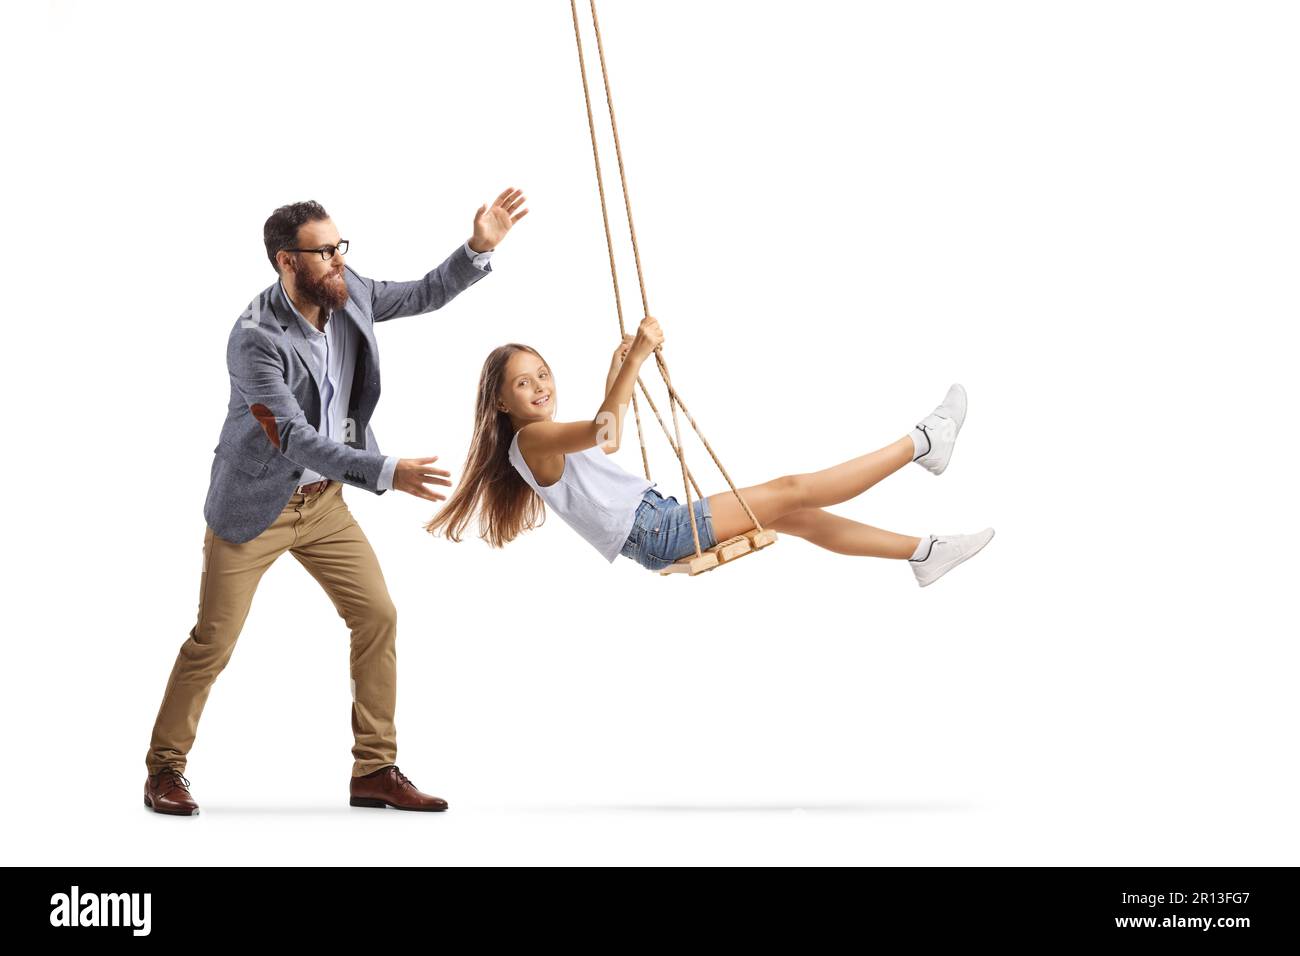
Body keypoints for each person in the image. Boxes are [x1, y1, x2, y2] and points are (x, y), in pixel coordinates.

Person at [143, 190, 528, 815]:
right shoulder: (254, 340)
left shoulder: (349, 293)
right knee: (213, 640)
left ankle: (374, 769)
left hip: (322, 506)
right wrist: (384, 471)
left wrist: (478, 247)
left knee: (377, 615)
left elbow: (426, 292)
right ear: (286, 262)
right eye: (323, 252)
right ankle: (164, 769)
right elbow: (294, 436)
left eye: (339, 246)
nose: (338, 260)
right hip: (254, 508)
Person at [424, 315, 994, 583]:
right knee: (791, 488)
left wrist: (619, 366)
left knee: (799, 515)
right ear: (500, 402)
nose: (540, 386)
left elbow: (605, 434)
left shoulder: (538, 441)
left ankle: (923, 554)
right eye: (523, 383)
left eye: (543, 374)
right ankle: (923, 442)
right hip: (658, 529)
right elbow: (606, 431)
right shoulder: (531, 437)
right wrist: (638, 359)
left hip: (656, 527)